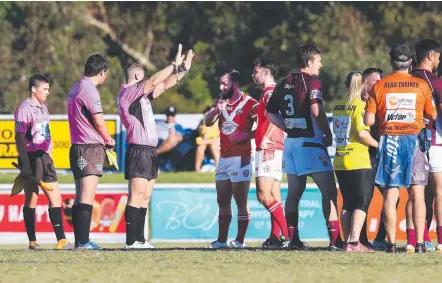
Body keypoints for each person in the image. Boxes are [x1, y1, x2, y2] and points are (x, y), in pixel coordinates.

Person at [266, 44, 343, 251]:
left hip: (291, 143)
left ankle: (294, 240)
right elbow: (317, 111)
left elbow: (270, 113)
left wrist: (288, 126)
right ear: (309, 62)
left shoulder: (283, 83)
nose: (321, 64)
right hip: (310, 142)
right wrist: (328, 134)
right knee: (329, 193)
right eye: (318, 61)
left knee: (293, 194)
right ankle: (335, 241)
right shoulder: (312, 82)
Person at [118, 44, 194, 249]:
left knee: (146, 195)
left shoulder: (141, 96)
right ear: (136, 78)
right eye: (142, 79)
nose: (147, 82)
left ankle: (140, 240)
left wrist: (182, 70)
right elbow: (153, 80)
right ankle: (131, 241)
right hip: (139, 149)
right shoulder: (128, 93)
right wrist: (172, 64)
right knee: (136, 195)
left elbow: (165, 84)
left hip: (150, 151)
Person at [364, 44, 437, 253]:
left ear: (391, 62)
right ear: (411, 62)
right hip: (414, 140)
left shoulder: (379, 86)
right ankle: (420, 244)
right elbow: (432, 115)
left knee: (390, 195)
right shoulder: (421, 85)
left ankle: (392, 244)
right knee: (418, 194)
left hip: (390, 141)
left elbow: (369, 120)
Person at [14, 75, 73, 250]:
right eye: (45, 89)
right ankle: (32, 241)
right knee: (32, 199)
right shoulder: (24, 108)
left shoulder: (43, 108)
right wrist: (25, 163)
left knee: (56, 198)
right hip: (31, 158)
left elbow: (46, 135)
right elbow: (19, 138)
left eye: (48, 89)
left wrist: (50, 155)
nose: (48, 92)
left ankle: (61, 240)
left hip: (45, 158)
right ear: (34, 89)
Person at [205, 69, 258, 248]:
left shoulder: (250, 103)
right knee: (222, 201)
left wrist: (246, 135)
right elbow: (207, 122)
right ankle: (221, 241)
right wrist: (214, 111)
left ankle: (240, 241)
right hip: (224, 159)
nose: (221, 87)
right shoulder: (221, 103)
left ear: (235, 84)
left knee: (240, 202)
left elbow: (264, 128)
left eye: (224, 83)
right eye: (220, 83)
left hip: (241, 158)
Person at [67, 54, 115, 249]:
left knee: (80, 196)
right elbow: (99, 121)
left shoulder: (75, 87)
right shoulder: (90, 90)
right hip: (90, 148)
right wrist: (109, 140)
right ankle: (83, 242)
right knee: (87, 195)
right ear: (102, 71)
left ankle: (80, 241)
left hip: (77, 147)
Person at [333, 71, 378, 252]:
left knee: (348, 203)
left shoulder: (338, 106)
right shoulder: (360, 106)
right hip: (358, 160)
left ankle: (347, 243)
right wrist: (379, 145)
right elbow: (362, 133)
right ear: (362, 85)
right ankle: (354, 242)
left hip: (340, 159)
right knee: (362, 202)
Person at [251, 57, 289, 248]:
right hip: (274, 147)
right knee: (274, 195)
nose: (253, 75)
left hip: (269, 148)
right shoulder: (270, 92)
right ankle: (275, 238)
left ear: (265, 72)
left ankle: (290, 236)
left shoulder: (269, 93)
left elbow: (278, 117)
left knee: (263, 195)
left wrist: (266, 137)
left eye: (256, 71)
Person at [411, 38, 442, 253]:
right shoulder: (435, 81)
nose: (439, 61)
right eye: (438, 57)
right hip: (433, 140)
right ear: (430, 56)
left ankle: (418, 241)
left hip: (408, 141)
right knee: (439, 191)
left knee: (417, 193)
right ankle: (441, 241)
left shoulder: (406, 78)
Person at [195, 106, 220, 172]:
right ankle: (197, 169)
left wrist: (210, 141)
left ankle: (218, 166)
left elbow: (219, 139)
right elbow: (202, 139)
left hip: (217, 144)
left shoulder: (219, 122)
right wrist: (206, 130)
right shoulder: (202, 124)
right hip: (207, 142)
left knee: (214, 145)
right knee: (201, 147)